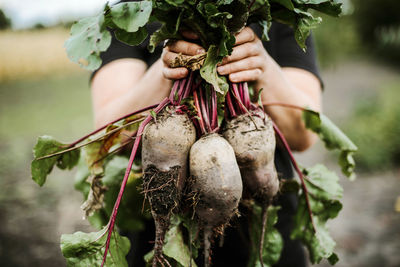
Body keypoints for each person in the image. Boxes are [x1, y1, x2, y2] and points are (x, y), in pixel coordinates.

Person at [91, 16, 322, 267]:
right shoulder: (129, 14)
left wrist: (262, 67)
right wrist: (168, 68)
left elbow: (305, 135)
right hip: (149, 235)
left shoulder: (279, 14)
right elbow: (108, 136)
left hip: (266, 235)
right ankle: (160, 245)